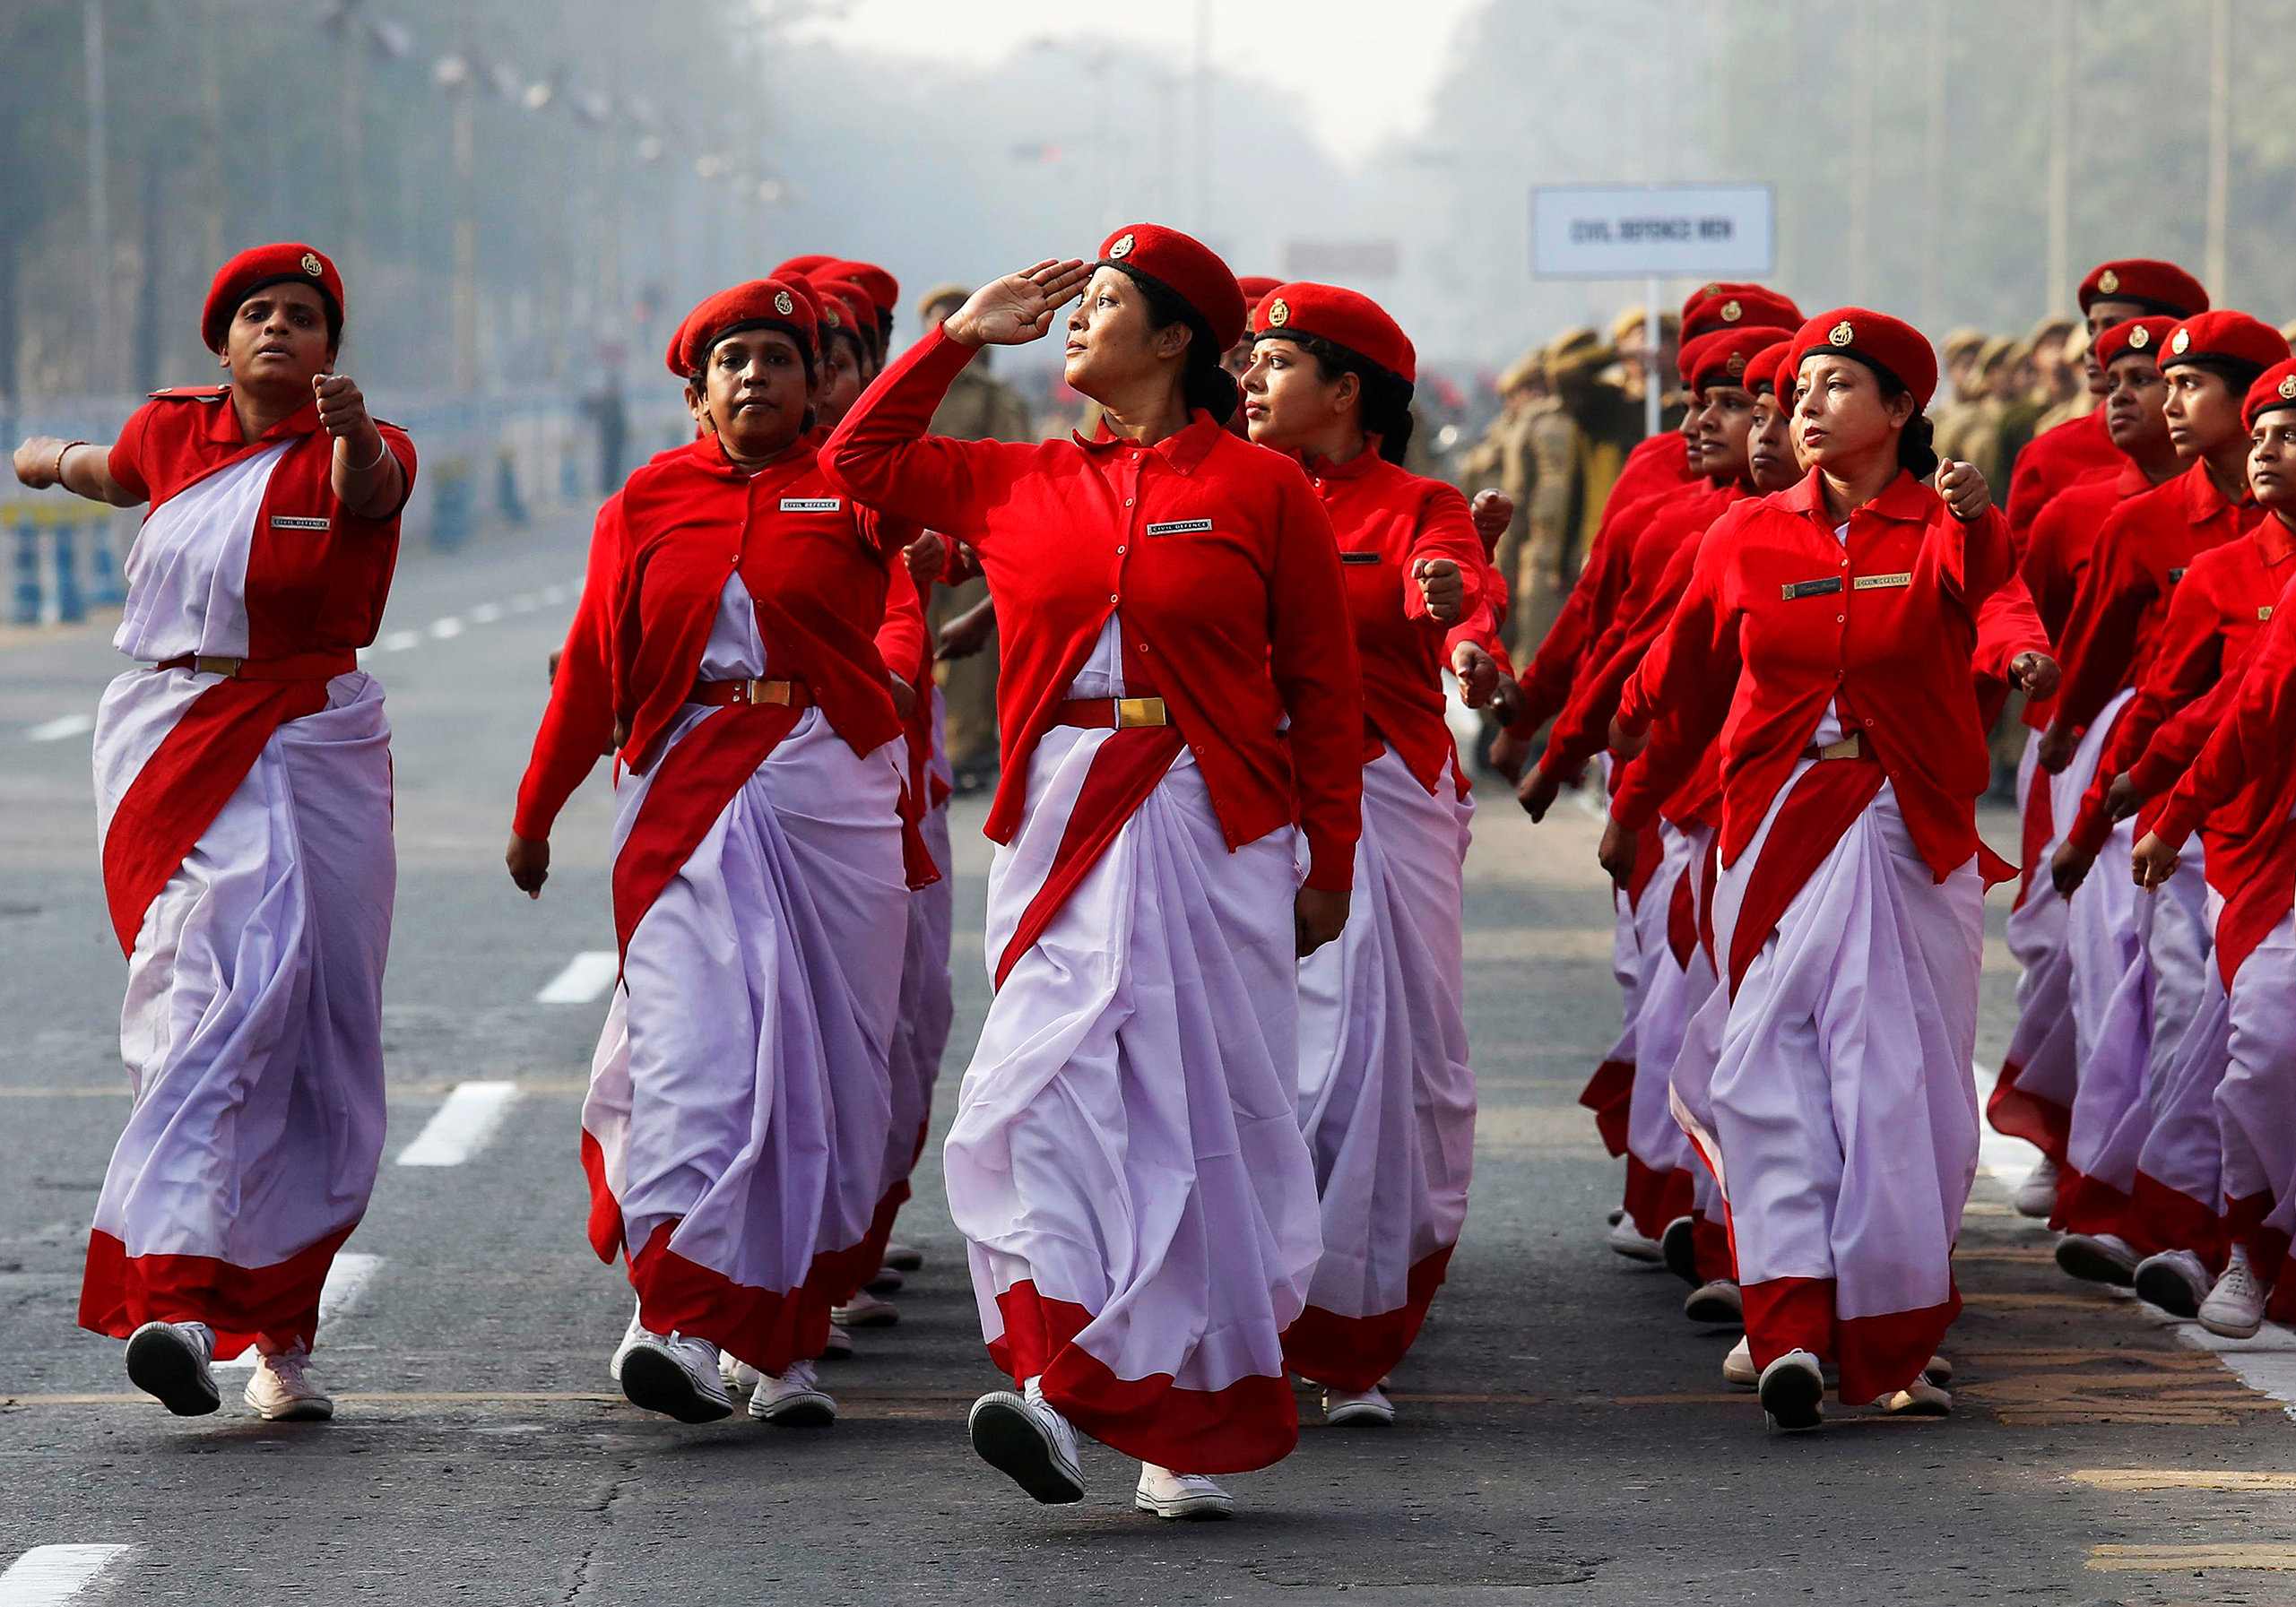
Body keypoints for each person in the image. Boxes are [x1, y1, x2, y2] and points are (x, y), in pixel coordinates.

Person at [823, 227, 1363, 1519]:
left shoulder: (1260, 488)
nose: (1077, 320)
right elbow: (857, 461)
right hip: (1058, 823)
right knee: (1034, 1101)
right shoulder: (1011, 479)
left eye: (1106, 304)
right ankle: (1064, 1379)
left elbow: (1322, 689)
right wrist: (956, 338)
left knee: (1194, 1124)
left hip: (1212, 822)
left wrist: (1330, 859)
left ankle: (1178, 1418)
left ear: (1175, 341)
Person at [507, 279, 923, 1427]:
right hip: (684, 794)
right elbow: (595, 663)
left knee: (825, 1079)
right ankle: (676, 1320)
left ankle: (781, 1339)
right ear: (697, 391)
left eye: (778, 360)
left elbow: (911, 588)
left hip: (829, 795)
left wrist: (956, 339)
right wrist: (538, 807)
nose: (754, 377)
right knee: (697, 1063)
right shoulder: (644, 501)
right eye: (731, 360)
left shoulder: (854, 488)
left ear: (813, 385)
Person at [10, 242, 414, 1423]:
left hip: (313, 735)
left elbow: (372, 492)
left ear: (333, 350)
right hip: (173, 733)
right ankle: (175, 1298)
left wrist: (347, 433)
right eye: (258, 314)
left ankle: (281, 1332)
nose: (280, 329)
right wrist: (40, 458)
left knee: (316, 1029)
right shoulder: (171, 431)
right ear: (222, 341)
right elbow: (109, 470)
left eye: (305, 316)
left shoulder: (364, 442)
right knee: (206, 997)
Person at [1607, 309, 2015, 1430]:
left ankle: (1886, 1331)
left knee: (1893, 1084)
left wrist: (2011, 628)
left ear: (1898, 412)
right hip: (1773, 824)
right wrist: (1616, 745)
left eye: (1836, 385)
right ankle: (1784, 1318)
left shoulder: (1942, 525)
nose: (1804, 403)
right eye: (1799, 387)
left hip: (1901, 826)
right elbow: (1676, 672)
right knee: (1765, 1071)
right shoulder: (1740, 536)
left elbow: (1995, 597)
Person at [1237, 282, 1484, 1428]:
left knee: (1388, 1073)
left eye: (1276, 364)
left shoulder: (1417, 502)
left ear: (1344, 394)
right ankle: (1247, 1310)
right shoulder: (1227, 493)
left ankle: (1351, 1327)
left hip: (1388, 801)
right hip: (1250, 806)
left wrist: (1455, 606)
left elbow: (1459, 586)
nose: (1250, 379)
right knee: (1260, 1063)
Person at [2033, 312, 2287, 1275]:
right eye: (2155, 383)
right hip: (2197, 809)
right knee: (2176, 1002)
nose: (2166, 403)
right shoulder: (2151, 526)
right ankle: (2181, 1222)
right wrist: (2099, 802)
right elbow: (2135, 681)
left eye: (2187, 385)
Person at [1988, 315, 2188, 1214]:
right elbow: (2034, 630)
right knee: (2076, 948)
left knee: (2197, 980)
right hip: (2099, 749)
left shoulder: (2260, 505)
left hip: (2223, 756)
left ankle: (2174, 1186)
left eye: (2147, 373)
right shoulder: (2076, 499)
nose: (2121, 391)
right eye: (2105, 365)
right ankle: (2077, 1147)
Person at [2134, 359, 2296, 1335]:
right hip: (2266, 858)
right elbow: (2241, 715)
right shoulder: (2236, 571)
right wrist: (2167, 812)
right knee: (2264, 1050)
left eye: (2289, 433)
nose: (2266, 450)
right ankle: (2248, 1243)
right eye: (2263, 432)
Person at [911, 281, 1037, 797]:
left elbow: (1014, 463)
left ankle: (967, 747)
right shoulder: (912, 386)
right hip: (913, 528)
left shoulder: (996, 399)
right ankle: (919, 741)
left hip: (969, 532)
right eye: (936, 317)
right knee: (909, 633)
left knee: (969, 652)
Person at [2007, 260, 2212, 545]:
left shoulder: (2218, 451)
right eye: (2092, 329)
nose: (2092, 347)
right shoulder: (2047, 457)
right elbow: (2023, 583)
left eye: (2114, 327)